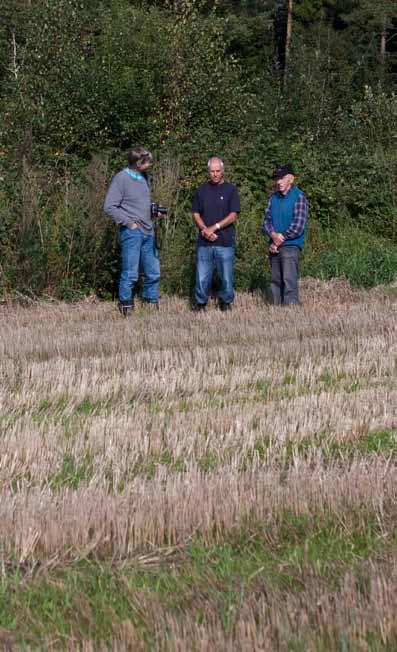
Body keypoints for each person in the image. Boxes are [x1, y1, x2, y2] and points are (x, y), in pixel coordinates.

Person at [103, 146, 161, 316]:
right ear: (137, 163)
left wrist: (154, 212)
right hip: (132, 232)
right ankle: (126, 305)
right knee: (130, 272)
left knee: (153, 271)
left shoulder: (144, 177)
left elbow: (138, 204)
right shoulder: (121, 179)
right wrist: (129, 223)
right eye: (146, 161)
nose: (149, 164)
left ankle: (151, 302)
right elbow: (109, 206)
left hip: (149, 230)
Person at [192, 157, 240, 311]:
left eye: (218, 171)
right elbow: (195, 214)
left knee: (226, 277)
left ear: (223, 171)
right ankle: (200, 304)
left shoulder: (231, 190)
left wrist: (215, 227)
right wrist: (205, 230)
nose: (215, 174)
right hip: (204, 242)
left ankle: (225, 303)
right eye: (212, 171)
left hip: (225, 242)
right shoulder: (201, 190)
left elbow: (233, 215)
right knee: (201, 277)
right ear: (208, 171)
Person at [262, 164, 308, 305]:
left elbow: (298, 226)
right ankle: (276, 309)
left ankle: (291, 309)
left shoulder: (299, 197)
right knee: (275, 280)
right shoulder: (273, 198)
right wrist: (273, 235)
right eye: (277, 179)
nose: (278, 182)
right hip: (275, 245)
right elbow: (266, 222)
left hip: (291, 245)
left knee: (289, 279)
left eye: (282, 178)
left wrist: (278, 240)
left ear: (291, 179)